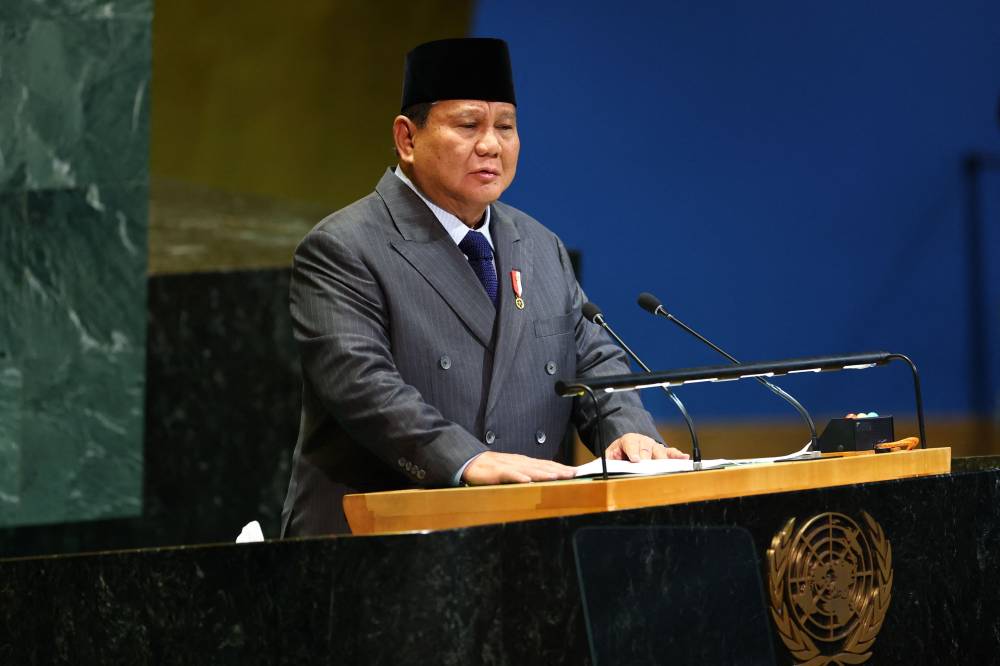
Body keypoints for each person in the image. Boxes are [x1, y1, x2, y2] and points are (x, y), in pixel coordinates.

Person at [280, 38, 687, 536]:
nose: (492, 145)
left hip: (526, 536)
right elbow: (363, 387)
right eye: (469, 126)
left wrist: (630, 435)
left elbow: (594, 362)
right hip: (382, 544)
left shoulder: (539, 245)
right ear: (407, 139)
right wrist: (468, 460)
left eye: (506, 127)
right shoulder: (343, 247)